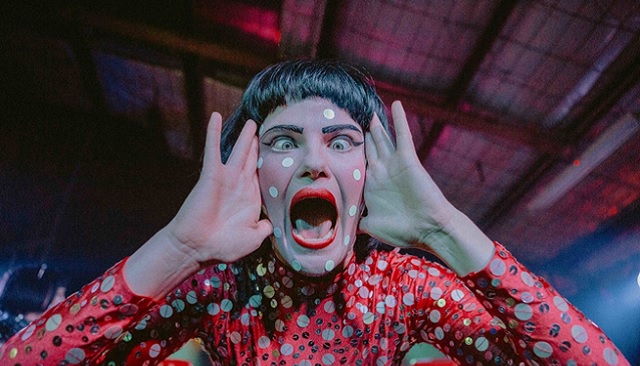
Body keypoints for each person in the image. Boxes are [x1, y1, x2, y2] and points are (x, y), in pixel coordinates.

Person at [0, 59, 629, 365]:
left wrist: (443, 225)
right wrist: (179, 247)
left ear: (367, 178)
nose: (312, 162)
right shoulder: (219, 287)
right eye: (282, 142)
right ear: (254, 174)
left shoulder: (405, 289)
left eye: (341, 141)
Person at [0, 264, 66, 347]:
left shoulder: (46, 332)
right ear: (36, 292)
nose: (63, 300)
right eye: (58, 294)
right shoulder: (5, 336)